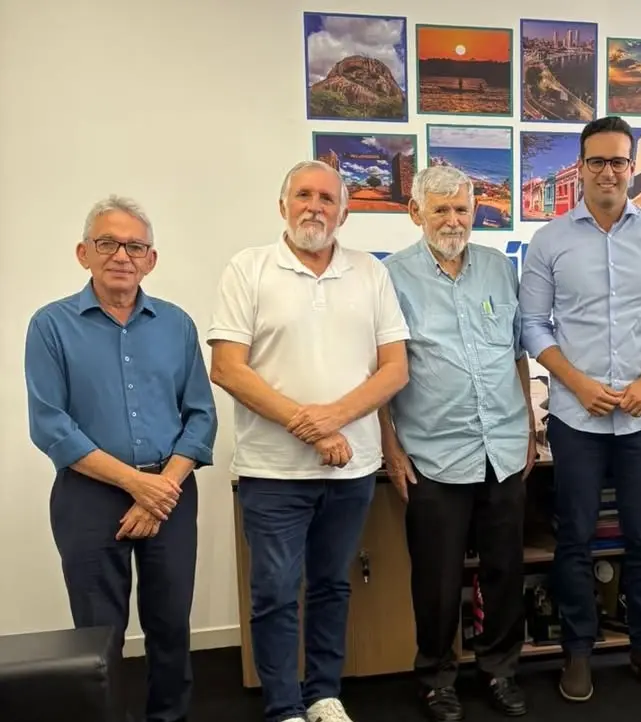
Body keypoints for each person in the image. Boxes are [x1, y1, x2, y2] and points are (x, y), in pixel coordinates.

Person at [207, 160, 410, 722]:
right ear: (283, 205)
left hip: (352, 470)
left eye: (326, 198)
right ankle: (283, 707)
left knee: (331, 587)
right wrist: (311, 426)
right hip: (272, 472)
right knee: (274, 592)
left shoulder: (370, 272)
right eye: (303, 195)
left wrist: (334, 419)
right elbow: (227, 368)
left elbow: (395, 369)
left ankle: (323, 694)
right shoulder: (248, 269)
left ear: (343, 212)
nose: (314, 206)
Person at [518, 115, 641, 702]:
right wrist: (575, 383)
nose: (609, 172)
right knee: (574, 538)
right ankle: (577, 651)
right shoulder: (550, 242)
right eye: (597, 161)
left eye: (619, 161)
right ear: (581, 167)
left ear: (630, 167)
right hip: (578, 417)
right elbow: (533, 326)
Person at [24, 195, 217, 722]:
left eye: (135, 246)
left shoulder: (176, 325)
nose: (121, 256)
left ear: (151, 259)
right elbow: (50, 425)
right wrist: (138, 485)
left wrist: (160, 490)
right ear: (83, 252)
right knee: (99, 634)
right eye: (107, 243)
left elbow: (201, 417)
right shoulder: (51, 326)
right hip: (89, 496)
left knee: (171, 626)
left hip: (170, 491)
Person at [379, 165, 536, 722]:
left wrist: (529, 429)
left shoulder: (499, 268)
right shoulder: (390, 277)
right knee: (438, 580)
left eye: (462, 209)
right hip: (433, 455)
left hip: (504, 447)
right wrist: (391, 448)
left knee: (505, 570)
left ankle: (500, 670)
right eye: (440, 209)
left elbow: (517, 354)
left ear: (475, 212)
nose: (452, 220)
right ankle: (436, 679)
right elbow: (380, 369)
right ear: (415, 213)